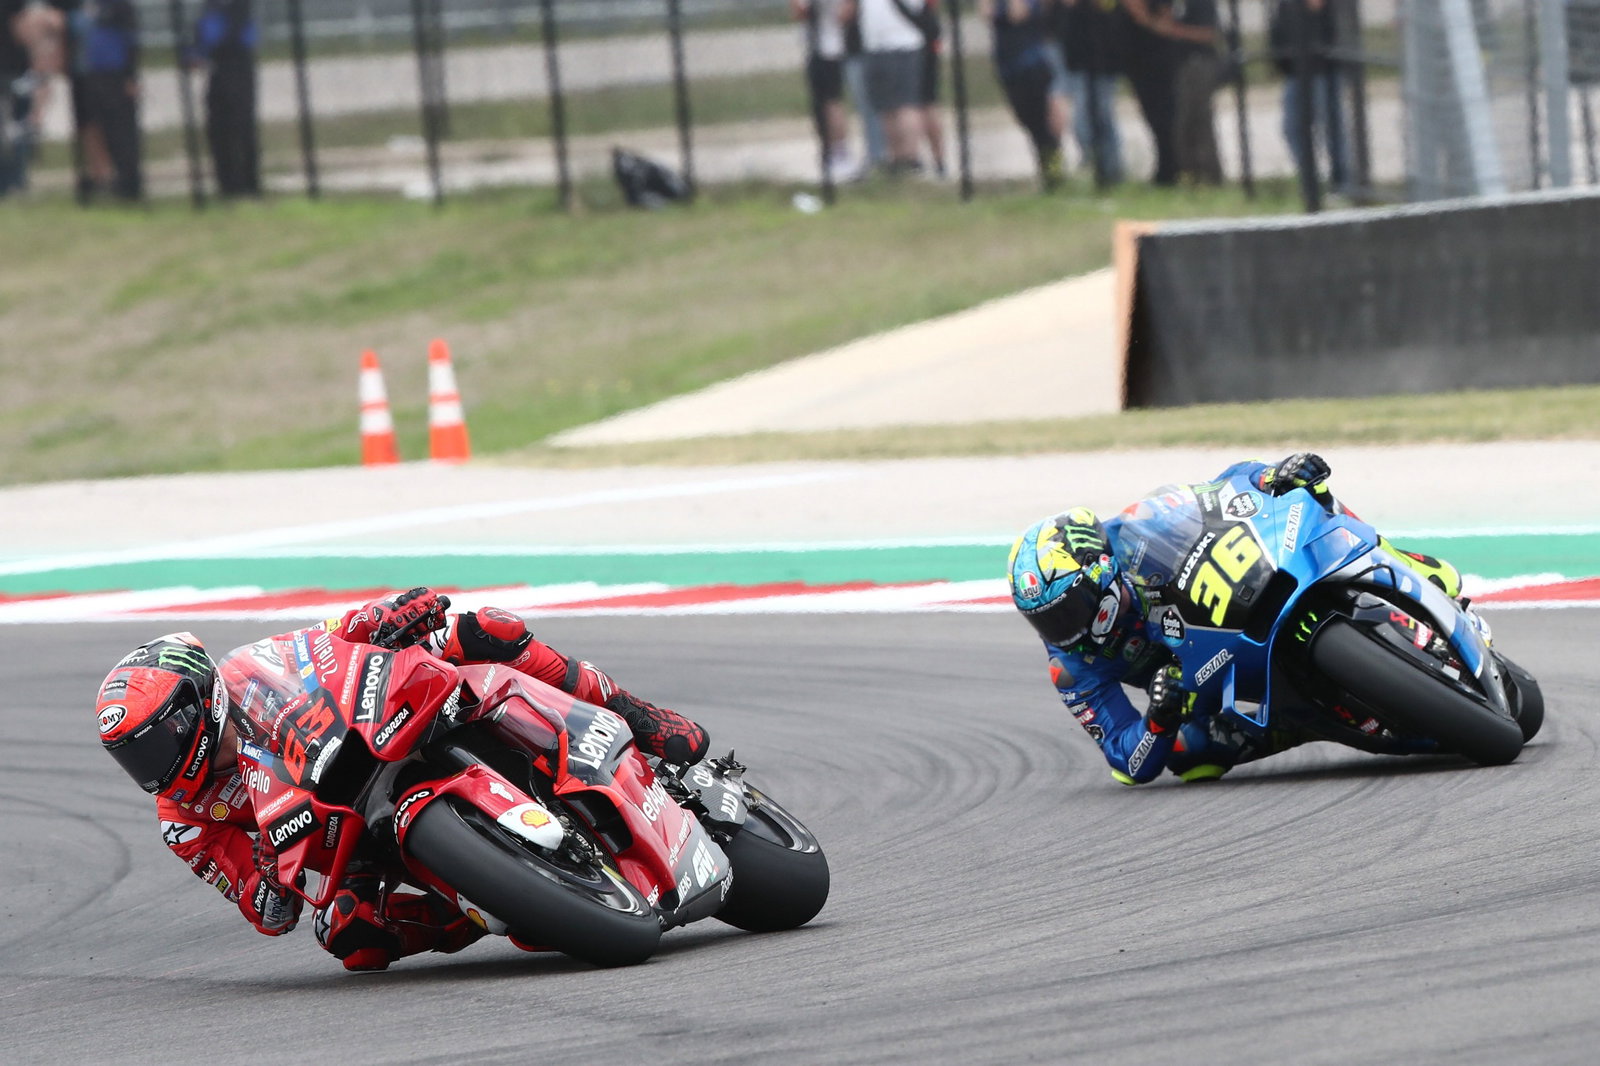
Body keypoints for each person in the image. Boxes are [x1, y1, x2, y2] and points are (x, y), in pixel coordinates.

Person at [94, 588, 710, 972]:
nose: (153, 768)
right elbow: (266, 911)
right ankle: (498, 904)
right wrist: (266, 881)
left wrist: (384, 616)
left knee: (486, 627)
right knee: (353, 936)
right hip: (348, 837)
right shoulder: (184, 820)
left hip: (380, 725)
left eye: (155, 743)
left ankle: (639, 716)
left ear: (197, 705)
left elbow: (327, 640)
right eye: (134, 758)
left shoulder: (251, 670)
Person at [1007, 454, 1469, 786]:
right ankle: (1303, 723)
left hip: (1231, 595)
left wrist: (1272, 476)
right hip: (1195, 681)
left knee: (1307, 491)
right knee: (1188, 755)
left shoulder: (1135, 528)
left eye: (1068, 609)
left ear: (1101, 571)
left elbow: (1222, 488)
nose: (1064, 630)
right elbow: (1126, 761)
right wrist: (1158, 719)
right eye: (1046, 620)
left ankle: (1394, 561)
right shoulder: (1071, 665)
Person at [980, 0, 1071, 190]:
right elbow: (986, 13)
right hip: (1008, 67)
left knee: (1042, 125)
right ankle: (1048, 171)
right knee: (1027, 121)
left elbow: (1018, 13)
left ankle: (1054, 174)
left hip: (1031, 64)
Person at [1269, 0, 1347, 195]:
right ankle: (1311, 181)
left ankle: (1341, 182)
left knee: (1330, 127)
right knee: (1293, 128)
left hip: (1321, 69)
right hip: (1295, 71)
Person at [190, 0, 259, 198]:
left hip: (238, 69)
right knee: (218, 128)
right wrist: (195, 54)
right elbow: (200, 34)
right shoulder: (210, 7)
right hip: (216, 72)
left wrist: (210, 51)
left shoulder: (240, 6)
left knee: (241, 127)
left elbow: (238, 38)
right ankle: (227, 185)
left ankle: (248, 183)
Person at [74, 0, 140, 201]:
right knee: (104, 129)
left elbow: (131, 40)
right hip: (96, 74)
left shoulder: (120, 7)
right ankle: (113, 178)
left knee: (122, 131)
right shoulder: (94, 6)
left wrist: (130, 76)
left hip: (116, 75)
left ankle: (130, 183)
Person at [1054, 0, 1125, 184]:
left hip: (1102, 62)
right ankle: (1095, 164)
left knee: (1101, 116)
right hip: (1078, 61)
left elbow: (1109, 10)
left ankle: (1112, 170)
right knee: (1083, 121)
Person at [856, 0, 929, 175]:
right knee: (887, 107)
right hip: (876, 46)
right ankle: (897, 157)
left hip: (902, 43)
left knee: (905, 105)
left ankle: (910, 156)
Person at [1155, 0, 1221, 184]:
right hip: (1182, 66)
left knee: (1198, 119)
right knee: (1184, 123)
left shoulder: (1201, 4)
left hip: (1199, 62)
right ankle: (1192, 174)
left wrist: (1175, 30)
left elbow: (1210, 34)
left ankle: (1209, 175)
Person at [1118, 0, 1178, 185]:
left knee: (1164, 118)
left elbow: (1166, 24)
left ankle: (1170, 171)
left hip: (1157, 62)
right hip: (1136, 63)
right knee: (1152, 117)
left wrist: (1143, 16)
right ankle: (1165, 169)